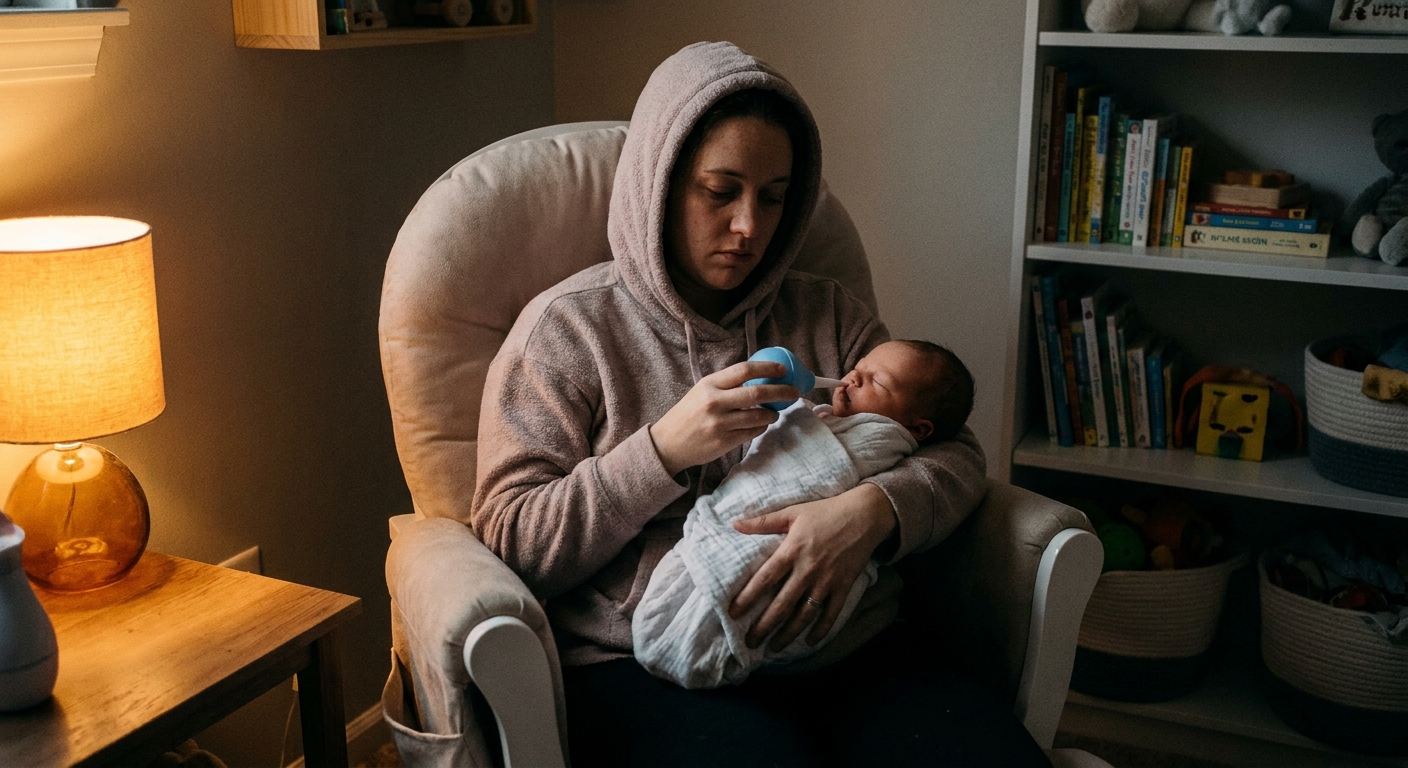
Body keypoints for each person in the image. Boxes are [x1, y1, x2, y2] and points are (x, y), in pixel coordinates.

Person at [473, 41, 1049, 767]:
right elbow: (511, 538)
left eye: (774, 198)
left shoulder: (829, 316)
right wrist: (661, 452)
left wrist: (870, 515)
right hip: (654, 663)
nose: (750, 227)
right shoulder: (567, 332)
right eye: (721, 192)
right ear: (659, 182)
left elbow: (952, 450)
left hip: (852, 645)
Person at [632, 340, 976, 689]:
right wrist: (663, 449)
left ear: (917, 430)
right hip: (619, 649)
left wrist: (873, 508)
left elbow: (961, 454)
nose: (853, 377)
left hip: (852, 640)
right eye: (857, 366)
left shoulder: (882, 439)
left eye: (877, 381)